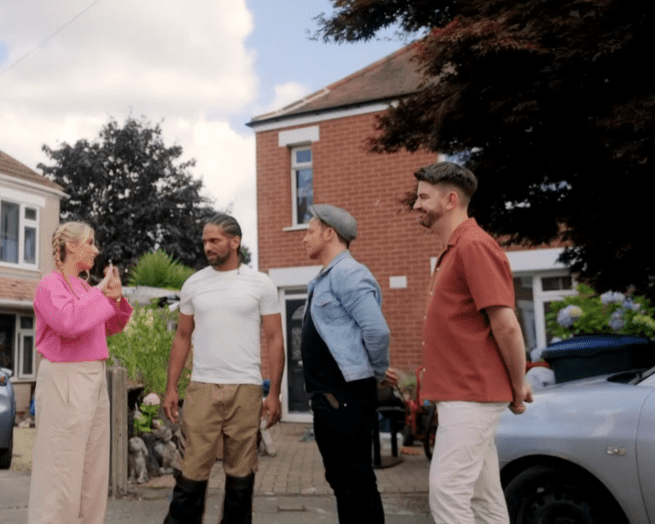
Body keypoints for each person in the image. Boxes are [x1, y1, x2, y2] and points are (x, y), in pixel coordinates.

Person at [412, 162, 533, 524]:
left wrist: (518, 385)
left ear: (450, 200)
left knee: (447, 493)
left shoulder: (474, 246)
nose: (416, 205)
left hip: (471, 396)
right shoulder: (456, 248)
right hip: (464, 394)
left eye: (422, 197)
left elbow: (506, 325)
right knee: (484, 497)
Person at [162, 213, 284, 524]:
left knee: (241, 476)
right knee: (190, 472)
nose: (207, 246)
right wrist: (172, 387)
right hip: (202, 387)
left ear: (235, 242)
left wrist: (275, 393)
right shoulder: (194, 284)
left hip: (246, 388)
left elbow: (274, 339)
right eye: (204, 241)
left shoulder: (261, 284)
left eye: (214, 240)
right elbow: (182, 336)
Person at [28, 221, 133, 524]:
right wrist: (101, 292)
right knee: (61, 470)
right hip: (66, 378)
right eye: (90, 243)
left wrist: (115, 297)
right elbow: (68, 323)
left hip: (93, 378)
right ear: (71, 246)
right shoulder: (50, 284)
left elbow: (112, 325)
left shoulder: (85, 287)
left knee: (93, 471)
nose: (96, 249)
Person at [300, 204, 391, 523]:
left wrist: (376, 372)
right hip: (331, 402)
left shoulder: (348, 273)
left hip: (345, 399)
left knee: (356, 484)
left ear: (329, 234)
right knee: (343, 483)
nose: (304, 239)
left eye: (310, 231)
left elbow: (377, 330)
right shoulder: (324, 279)